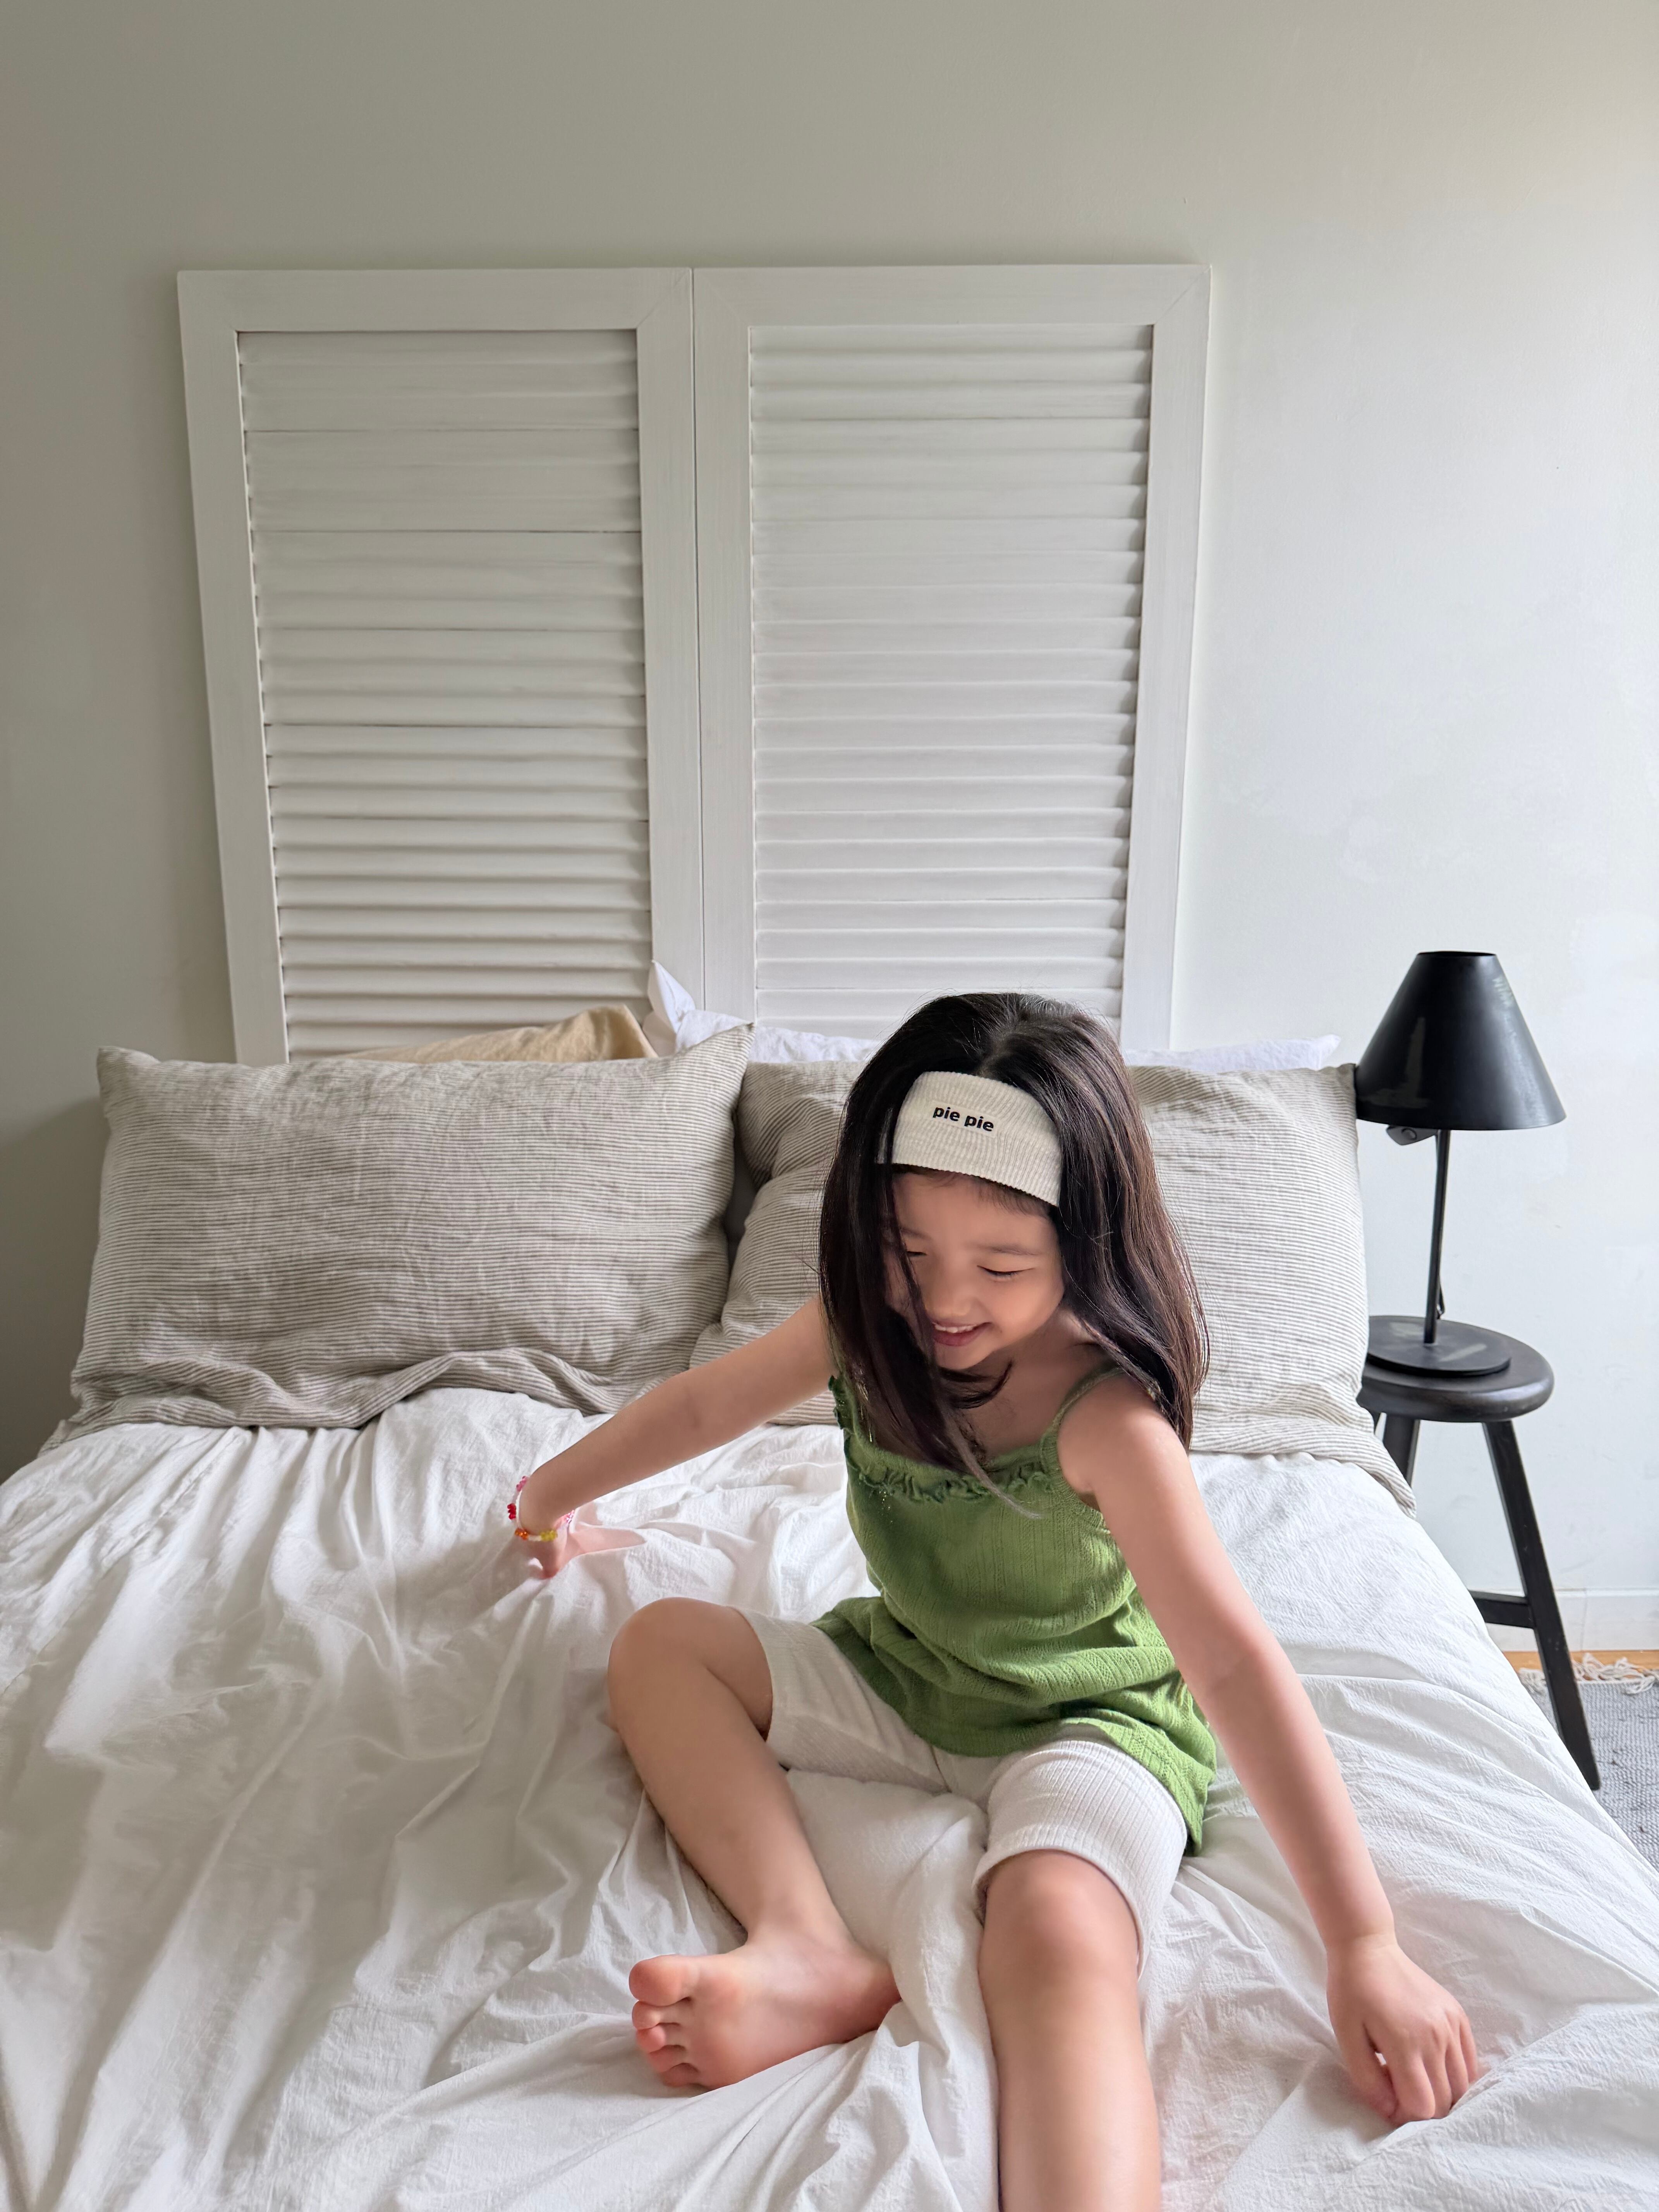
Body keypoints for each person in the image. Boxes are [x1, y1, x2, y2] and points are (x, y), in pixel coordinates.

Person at [511, 993, 1479, 2212]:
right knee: (661, 1646)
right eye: (907, 1252)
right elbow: (708, 1402)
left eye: (1001, 1267)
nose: (942, 1300)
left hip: (1091, 1723)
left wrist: (1362, 1945)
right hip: (909, 1671)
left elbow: (1232, 1665)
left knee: (1058, 1934)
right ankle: (805, 1946)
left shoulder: (1108, 1419)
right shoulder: (868, 1329)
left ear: (1086, 1249)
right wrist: (544, 1497)